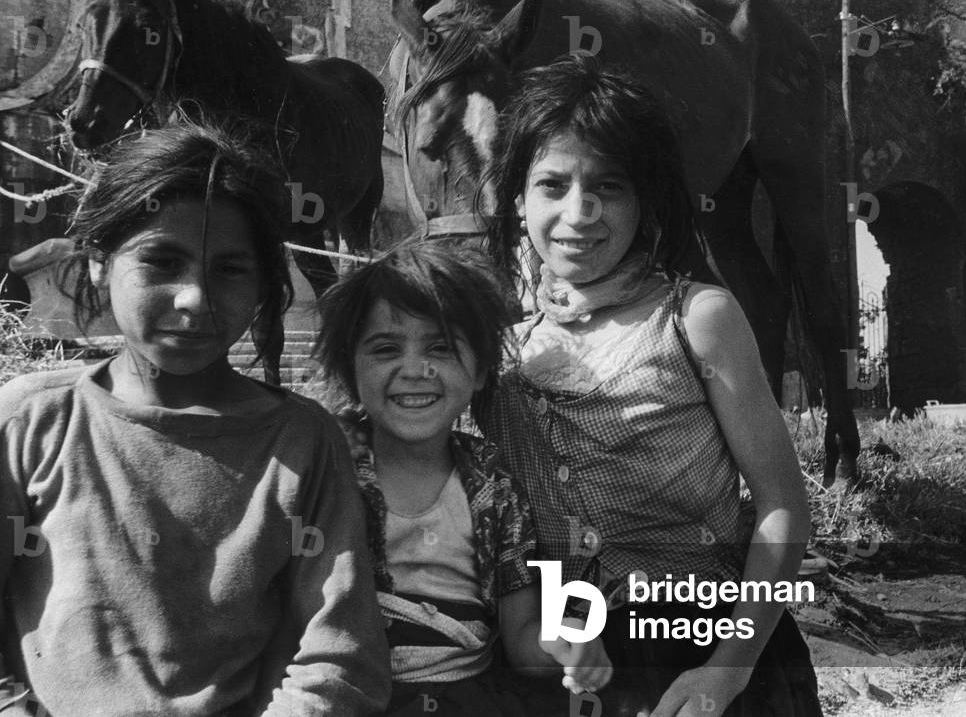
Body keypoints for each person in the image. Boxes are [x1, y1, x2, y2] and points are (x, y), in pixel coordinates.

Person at [0, 120, 390, 716]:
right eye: (161, 261)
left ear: (264, 282)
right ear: (101, 263)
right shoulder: (31, 422)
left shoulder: (302, 444)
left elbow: (340, 657)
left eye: (230, 269)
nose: (195, 299)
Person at [483, 55, 823, 717]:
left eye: (608, 187)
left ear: (646, 200)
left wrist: (725, 673)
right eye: (551, 185)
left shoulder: (695, 318)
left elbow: (783, 504)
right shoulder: (495, 347)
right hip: (572, 659)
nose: (577, 214)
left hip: (709, 647)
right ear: (517, 200)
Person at [313, 242, 612, 716]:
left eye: (442, 347)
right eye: (386, 348)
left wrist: (570, 639)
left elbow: (523, 643)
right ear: (350, 371)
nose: (415, 369)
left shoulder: (497, 490)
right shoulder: (321, 470)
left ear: (481, 372)